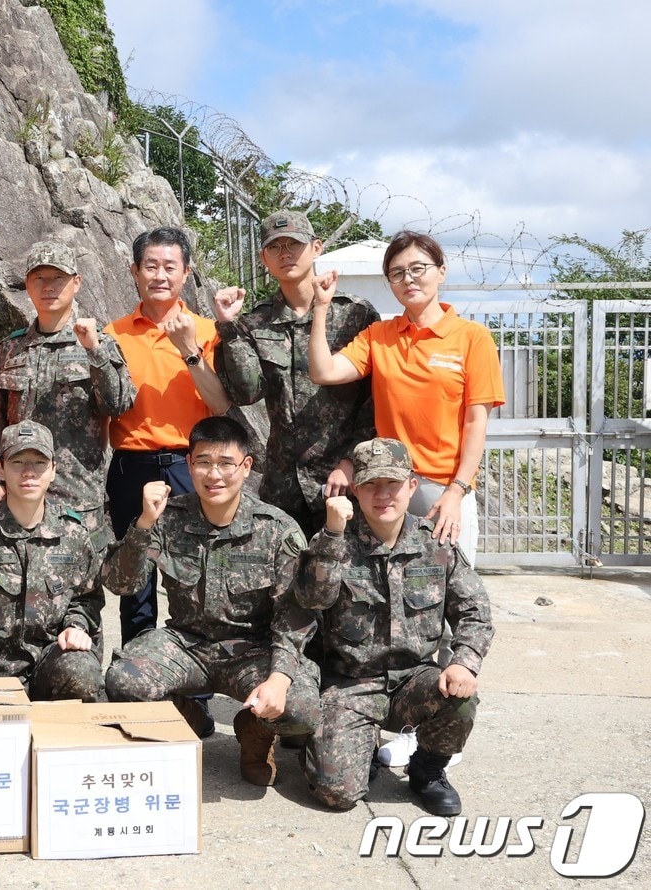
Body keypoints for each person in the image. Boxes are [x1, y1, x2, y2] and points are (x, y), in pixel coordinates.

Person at [102, 416, 319, 787]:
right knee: (124, 680)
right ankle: (187, 715)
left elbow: (293, 616)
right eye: (203, 462)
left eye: (225, 464)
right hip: (187, 644)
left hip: (253, 649)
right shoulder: (168, 517)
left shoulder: (277, 527)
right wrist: (143, 524)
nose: (213, 474)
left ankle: (254, 731)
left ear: (246, 467)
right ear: (188, 464)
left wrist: (280, 678)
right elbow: (122, 584)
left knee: (300, 707)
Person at [296, 438, 493, 816]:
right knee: (336, 794)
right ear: (355, 490)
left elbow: (475, 612)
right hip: (351, 684)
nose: (382, 495)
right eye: (370, 484)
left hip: (414, 680)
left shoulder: (436, 544)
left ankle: (429, 769)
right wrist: (333, 536)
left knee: (460, 697)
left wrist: (463, 661)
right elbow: (310, 602)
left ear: (412, 487)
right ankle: (358, 745)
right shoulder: (332, 542)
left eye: (393, 484)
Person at [308, 230, 505, 562]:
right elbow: (323, 372)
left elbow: (476, 423)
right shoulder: (378, 336)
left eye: (418, 268)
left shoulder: (473, 338)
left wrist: (457, 491)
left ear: (441, 271)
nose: (408, 279)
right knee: (387, 587)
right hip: (388, 486)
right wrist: (321, 308)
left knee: (446, 589)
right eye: (397, 273)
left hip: (442, 489)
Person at [104, 227, 230, 735]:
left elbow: (220, 404)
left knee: (193, 580)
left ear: (186, 272)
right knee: (136, 582)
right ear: (134, 272)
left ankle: (194, 694)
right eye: (149, 266)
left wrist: (190, 350)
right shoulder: (114, 334)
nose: (159, 275)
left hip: (189, 464)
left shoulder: (204, 329)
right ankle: (141, 684)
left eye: (169, 266)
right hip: (131, 465)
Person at [212, 210, 380, 538]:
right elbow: (246, 393)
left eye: (294, 244)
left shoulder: (355, 314)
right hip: (282, 485)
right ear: (264, 258)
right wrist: (229, 329)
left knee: (342, 579)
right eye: (275, 247)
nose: (285, 254)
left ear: (316, 248)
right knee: (285, 583)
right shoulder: (255, 322)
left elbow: (376, 396)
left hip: (343, 479)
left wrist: (351, 461)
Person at [0, 240, 136, 555]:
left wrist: (94, 351)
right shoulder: (9, 349)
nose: (48, 287)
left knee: (82, 593)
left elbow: (119, 404)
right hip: (20, 492)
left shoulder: (98, 343)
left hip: (78, 496)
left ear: (76, 283)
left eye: (58, 278)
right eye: (39, 278)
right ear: (27, 284)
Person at [0, 421, 104, 700]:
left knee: (82, 671)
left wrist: (76, 626)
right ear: (0, 469)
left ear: (53, 470)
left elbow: (87, 597)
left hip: (53, 660)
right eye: (18, 461)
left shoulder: (73, 532)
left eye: (39, 462)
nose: (29, 472)